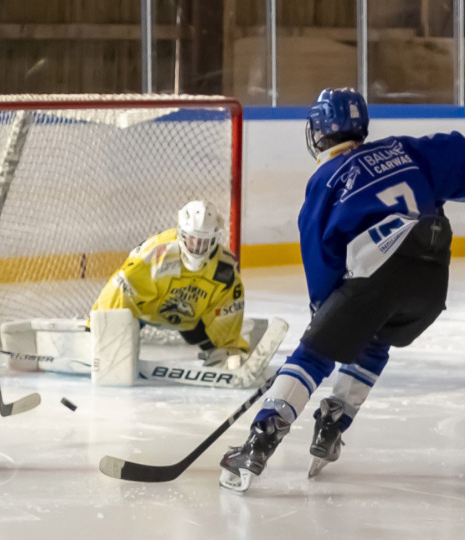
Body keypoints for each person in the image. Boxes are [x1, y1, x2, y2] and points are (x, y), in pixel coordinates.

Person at [220, 87, 459, 492]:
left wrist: (323, 317)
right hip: (433, 280)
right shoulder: (403, 150)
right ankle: (332, 425)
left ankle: (259, 440)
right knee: (375, 339)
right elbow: (458, 151)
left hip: (380, 272)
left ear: (319, 131)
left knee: (315, 353)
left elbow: (320, 253)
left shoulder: (326, 179)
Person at [91, 200, 251, 368]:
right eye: (192, 239)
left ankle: (222, 353)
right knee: (122, 316)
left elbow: (229, 308)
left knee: (222, 341)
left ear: (215, 240)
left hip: (191, 325)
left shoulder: (224, 270)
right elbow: (121, 287)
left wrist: (229, 348)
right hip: (144, 314)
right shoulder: (156, 252)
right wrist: (99, 329)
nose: (197, 247)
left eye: (204, 241)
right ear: (181, 234)